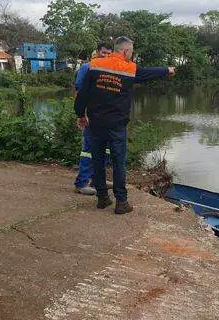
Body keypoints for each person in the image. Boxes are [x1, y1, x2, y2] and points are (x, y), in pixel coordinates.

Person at [74, 36, 175, 214]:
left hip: (96, 123)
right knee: (119, 163)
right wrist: (167, 70)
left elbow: (83, 94)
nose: (131, 55)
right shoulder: (129, 68)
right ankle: (121, 202)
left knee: (97, 161)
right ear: (126, 51)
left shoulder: (95, 65)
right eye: (131, 52)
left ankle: (103, 198)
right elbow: (148, 73)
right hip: (117, 126)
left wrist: (81, 114)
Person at [73, 41, 113, 195]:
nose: (107, 56)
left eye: (110, 53)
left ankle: (97, 180)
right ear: (97, 52)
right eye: (104, 53)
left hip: (107, 117)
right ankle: (81, 183)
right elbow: (79, 93)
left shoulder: (110, 69)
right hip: (91, 116)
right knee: (88, 150)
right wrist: (82, 114)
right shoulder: (86, 68)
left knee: (106, 150)